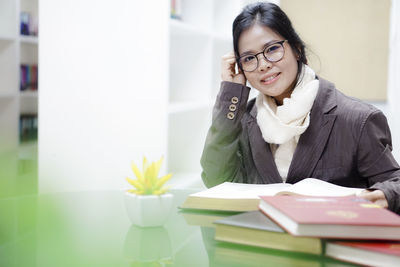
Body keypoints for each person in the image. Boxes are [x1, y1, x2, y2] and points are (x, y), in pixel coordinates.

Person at [200, 2, 400, 214]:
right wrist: (230, 92)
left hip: (330, 243)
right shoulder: (242, 120)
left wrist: (383, 196)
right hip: (260, 240)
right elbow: (216, 179)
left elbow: (395, 183)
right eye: (249, 58)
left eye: (272, 49)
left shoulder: (357, 119)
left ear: (296, 49)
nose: (263, 65)